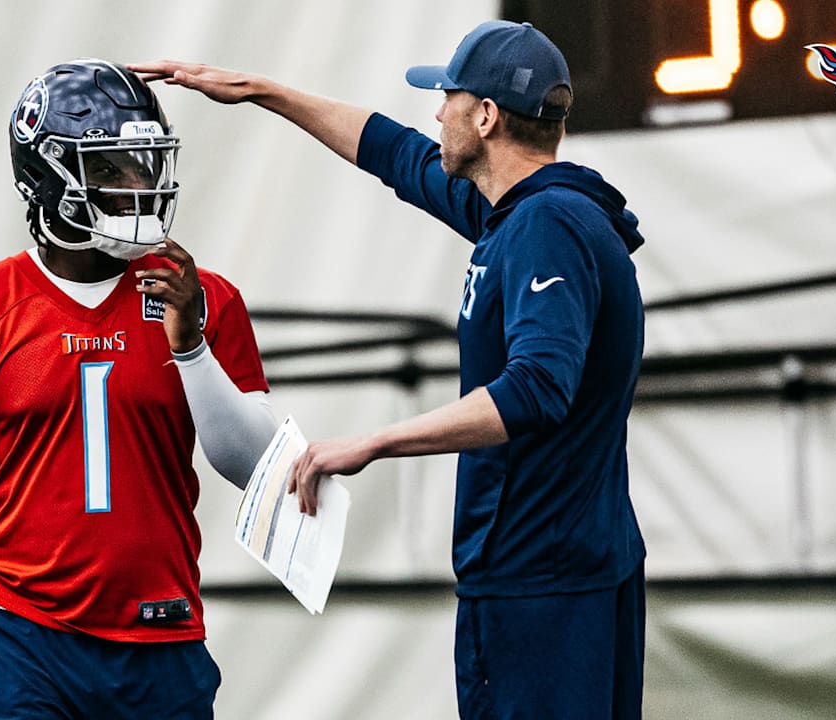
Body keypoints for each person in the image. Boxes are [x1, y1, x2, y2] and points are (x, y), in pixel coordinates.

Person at [132, 19, 647, 720]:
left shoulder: (546, 227)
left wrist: (371, 442)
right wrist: (260, 91)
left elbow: (537, 388)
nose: (435, 112)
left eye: (448, 97)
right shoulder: (533, 213)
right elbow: (392, 153)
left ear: (486, 116)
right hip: (568, 572)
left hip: (542, 582)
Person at [0, 58, 279, 720]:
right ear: (45, 174)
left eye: (142, 162)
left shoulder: (205, 299)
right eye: (108, 168)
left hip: (162, 631)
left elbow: (259, 469)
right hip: (21, 634)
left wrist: (189, 344)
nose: (137, 184)